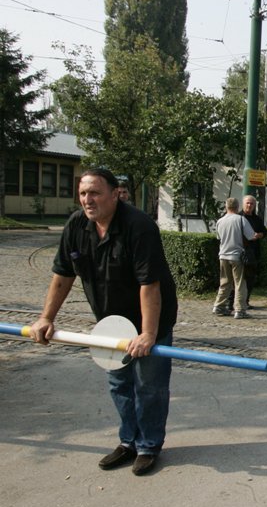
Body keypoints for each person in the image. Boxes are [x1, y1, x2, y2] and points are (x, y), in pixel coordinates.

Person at [28, 168, 178, 476]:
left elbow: (149, 284)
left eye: (95, 193)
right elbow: (62, 275)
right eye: (83, 193)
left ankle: (148, 446)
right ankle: (128, 441)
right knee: (119, 384)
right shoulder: (76, 225)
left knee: (149, 387)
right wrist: (46, 318)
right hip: (110, 324)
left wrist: (148, 334)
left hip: (150, 320)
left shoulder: (139, 226)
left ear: (115, 194)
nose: (87, 199)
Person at [213, 197, 262, 319]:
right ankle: (239, 310)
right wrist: (257, 235)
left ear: (226, 207)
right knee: (240, 283)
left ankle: (218, 306)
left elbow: (219, 237)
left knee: (225, 282)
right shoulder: (241, 219)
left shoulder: (220, 221)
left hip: (223, 255)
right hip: (237, 256)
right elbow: (251, 236)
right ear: (237, 207)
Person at [227, 195, 267, 311]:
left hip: (253, 253)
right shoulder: (238, 217)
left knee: (250, 279)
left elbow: (265, 232)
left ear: (254, 205)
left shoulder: (257, 219)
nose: (249, 205)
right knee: (236, 280)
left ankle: (245, 301)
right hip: (239, 252)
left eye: (251, 203)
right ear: (243, 204)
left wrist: (260, 235)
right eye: (247, 203)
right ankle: (230, 303)